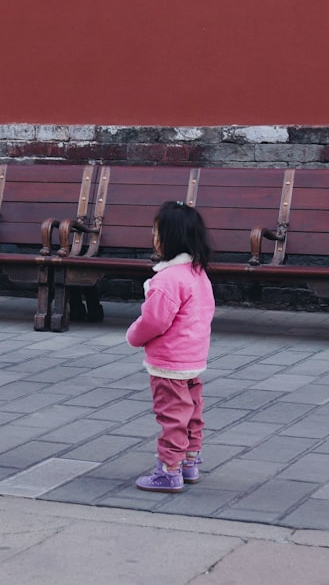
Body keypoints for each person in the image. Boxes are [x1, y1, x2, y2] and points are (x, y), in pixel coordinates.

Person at [126, 200, 215, 493]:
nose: (153, 238)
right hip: (192, 359)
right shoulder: (198, 274)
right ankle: (189, 461)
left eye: (156, 233)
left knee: (172, 416)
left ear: (169, 239)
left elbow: (153, 321)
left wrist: (133, 336)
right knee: (192, 412)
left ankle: (168, 470)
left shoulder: (167, 280)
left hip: (169, 363)